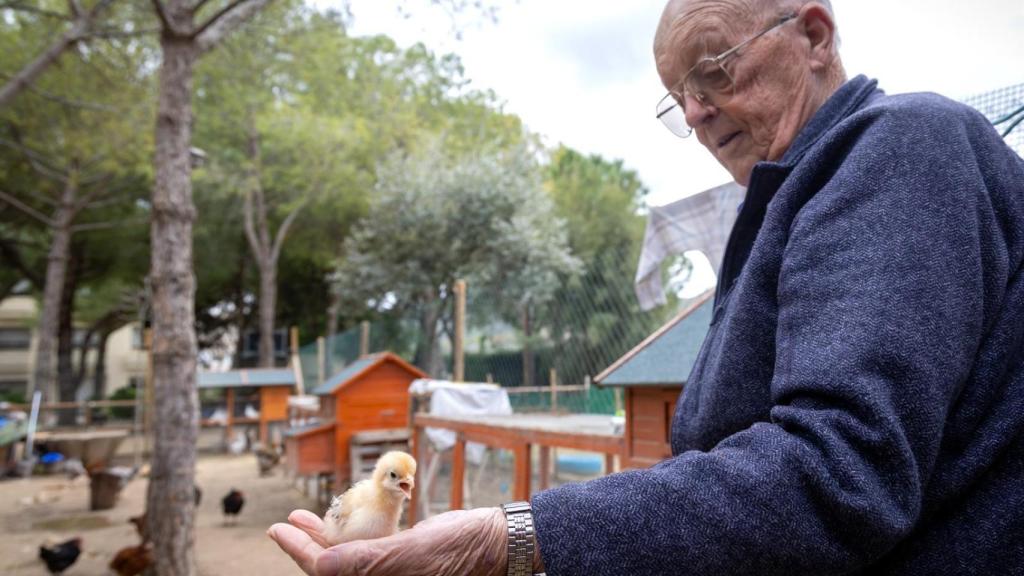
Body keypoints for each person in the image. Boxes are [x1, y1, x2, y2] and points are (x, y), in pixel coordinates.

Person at [269, 0, 1024, 574]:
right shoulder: (788, 199)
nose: (696, 112)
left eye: (714, 70)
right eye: (678, 96)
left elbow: (840, 473)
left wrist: (516, 536)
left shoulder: (899, 148)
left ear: (816, 36)